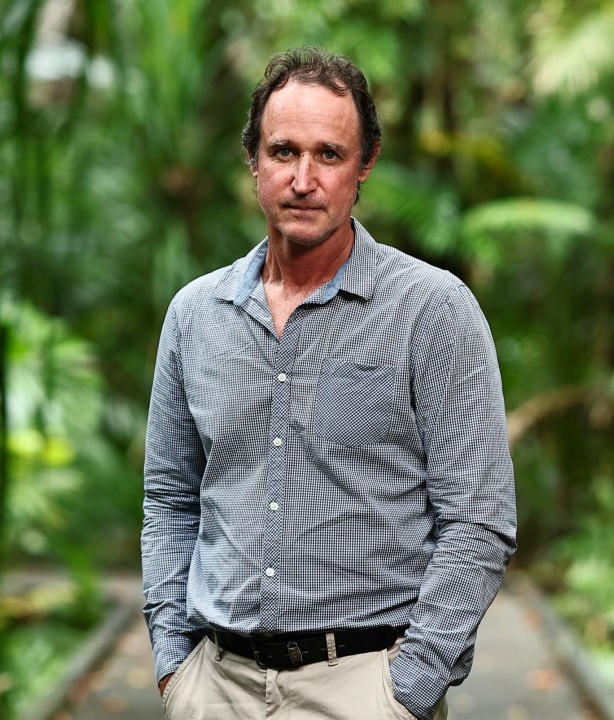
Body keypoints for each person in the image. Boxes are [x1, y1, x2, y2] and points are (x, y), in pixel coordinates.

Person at [141, 47, 516, 720]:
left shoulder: (431, 311)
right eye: (283, 152)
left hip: (365, 687)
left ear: (364, 164)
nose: (303, 179)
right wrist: (175, 665)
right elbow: (170, 498)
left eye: (329, 155)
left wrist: (407, 691)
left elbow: (478, 518)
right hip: (216, 688)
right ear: (253, 159)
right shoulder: (195, 315)